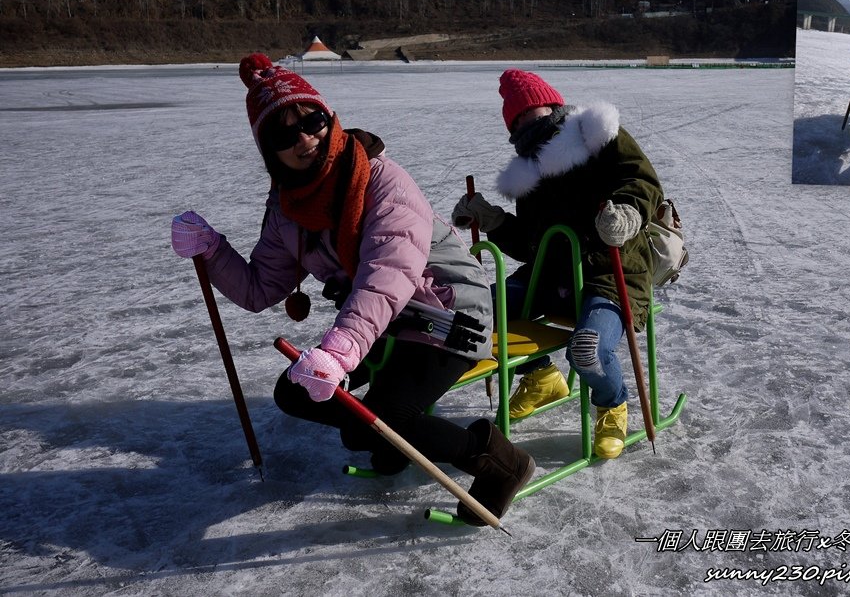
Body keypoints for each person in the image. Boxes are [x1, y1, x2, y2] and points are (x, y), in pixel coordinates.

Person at [171, 53, 534, 526]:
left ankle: (500, 462)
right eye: (284, 135)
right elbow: (260, 288)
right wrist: (212, 249)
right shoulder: (287, 209)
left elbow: (389, 272)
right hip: (386, 323)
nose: (304, 139)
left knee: (386, 416)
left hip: (447, 312)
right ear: (268, 150)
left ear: (329, 117)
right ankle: (387, 441)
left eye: (312, 120)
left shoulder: (383, 181)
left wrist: (340, 351)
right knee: (297, 393)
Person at [451, 69, 664, 459]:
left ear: (554, 103)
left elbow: (642, 180)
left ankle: (612, 403)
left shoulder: (596, 134)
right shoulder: (529, 172)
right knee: (474, 309)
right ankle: (540, 377)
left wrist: (629, 213)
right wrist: (492, 219)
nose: (528, 119)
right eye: (517, 118)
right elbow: (533, 244)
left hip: (609, 273)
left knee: (587, 348)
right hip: (547, 280)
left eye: (534, 108)